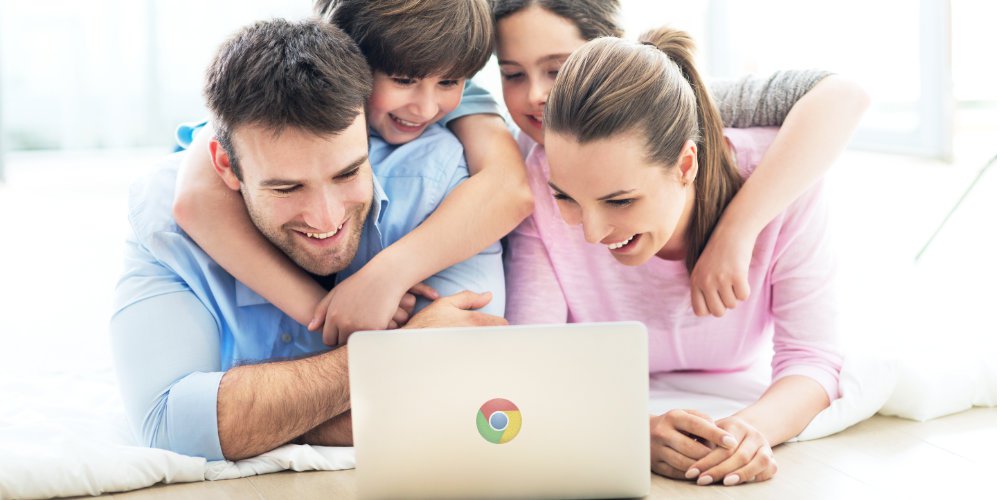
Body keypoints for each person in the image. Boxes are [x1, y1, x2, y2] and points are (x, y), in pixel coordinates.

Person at [110, 18, 506, 462]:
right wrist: (400, 354)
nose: (327, 217)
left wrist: (252, 421)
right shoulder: (166, 214)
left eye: (349, 172)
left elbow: (465, 398)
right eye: (286, 188)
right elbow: (170, 426)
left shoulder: (443, 185)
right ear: (225, 166)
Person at [506, 23, 856, 486]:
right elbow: (531, 364)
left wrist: (748, 434)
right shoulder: (535, 177)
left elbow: (812, 359)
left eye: (619, 201)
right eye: (566, 197)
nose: (591, 233)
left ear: (685, 164)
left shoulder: (778, 175)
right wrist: (631, 432)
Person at [172, 0, 533, 345]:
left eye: (450, 83)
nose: (425, 107)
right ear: (349, 55)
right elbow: (196, 199)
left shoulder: (447, 86)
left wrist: (384, 277)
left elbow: (509, 189)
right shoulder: (277, 90)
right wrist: (324, 309)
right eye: (403, 80)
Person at [493, 0, 869, 318]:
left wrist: (735, 230)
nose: (535, 96)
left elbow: (842, 96)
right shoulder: (517, 152)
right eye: (512, 74)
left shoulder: (682, 109)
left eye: (557, 71)